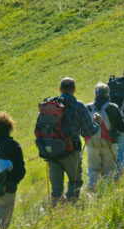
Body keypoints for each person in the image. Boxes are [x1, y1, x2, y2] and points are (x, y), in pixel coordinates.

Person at [37, 77, 100, 205]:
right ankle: (71, 209)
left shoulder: (48, 106)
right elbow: (89, 131)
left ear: (60, 89)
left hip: (50, 152)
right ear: (74, 89)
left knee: (56, 188)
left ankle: (56, 213)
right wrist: (97, 122)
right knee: (75, 181)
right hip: (70, 151)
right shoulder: (78, 106)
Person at [85, 82, 124, 189]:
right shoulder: (113, 108)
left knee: (92, 170)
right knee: (109, 171)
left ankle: (91, 190)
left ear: (95, 94)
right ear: (107, 94)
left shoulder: (88, 108)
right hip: (109, 143)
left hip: (92, 144)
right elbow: (123, 128)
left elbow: (83, 128)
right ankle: (106, 193)